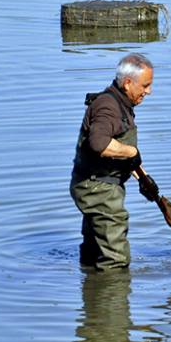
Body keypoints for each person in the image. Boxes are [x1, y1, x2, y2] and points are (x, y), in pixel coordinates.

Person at [70, 54, 159, 270]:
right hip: (99, 189)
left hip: (92, 184)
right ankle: (113, 300)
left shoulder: (119, 103)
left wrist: (143, 178)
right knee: (115, 259)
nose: (149, 91)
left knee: (93, 251)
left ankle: (91, 295)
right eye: (145, 85)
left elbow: (121, 152)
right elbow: (99, 144)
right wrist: (131, 151)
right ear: (128, 83)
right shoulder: (108, 107)